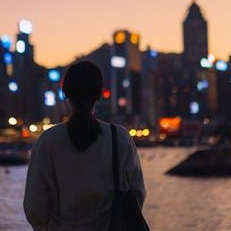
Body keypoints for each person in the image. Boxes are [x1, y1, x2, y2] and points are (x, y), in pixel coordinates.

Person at [23, 60, 146, 230]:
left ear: (65, 94)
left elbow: (35, 209)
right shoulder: (119, 138)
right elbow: (137, 195)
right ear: (99, 95)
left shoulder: (47, 141)